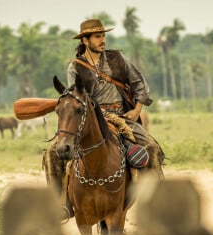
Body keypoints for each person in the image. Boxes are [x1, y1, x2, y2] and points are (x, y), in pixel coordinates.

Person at [44, 19, 164, 221]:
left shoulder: (117, 58)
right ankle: (61, 203)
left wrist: (136, 110)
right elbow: (77, 98)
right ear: (85, 40)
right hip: (90, 119)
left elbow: (139, 83)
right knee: (52, 153)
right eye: (98, 37)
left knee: (150, 146)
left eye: (103, 36)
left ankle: (155, 203)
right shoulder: (75, 67)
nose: (103, 40)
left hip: (122, 117)